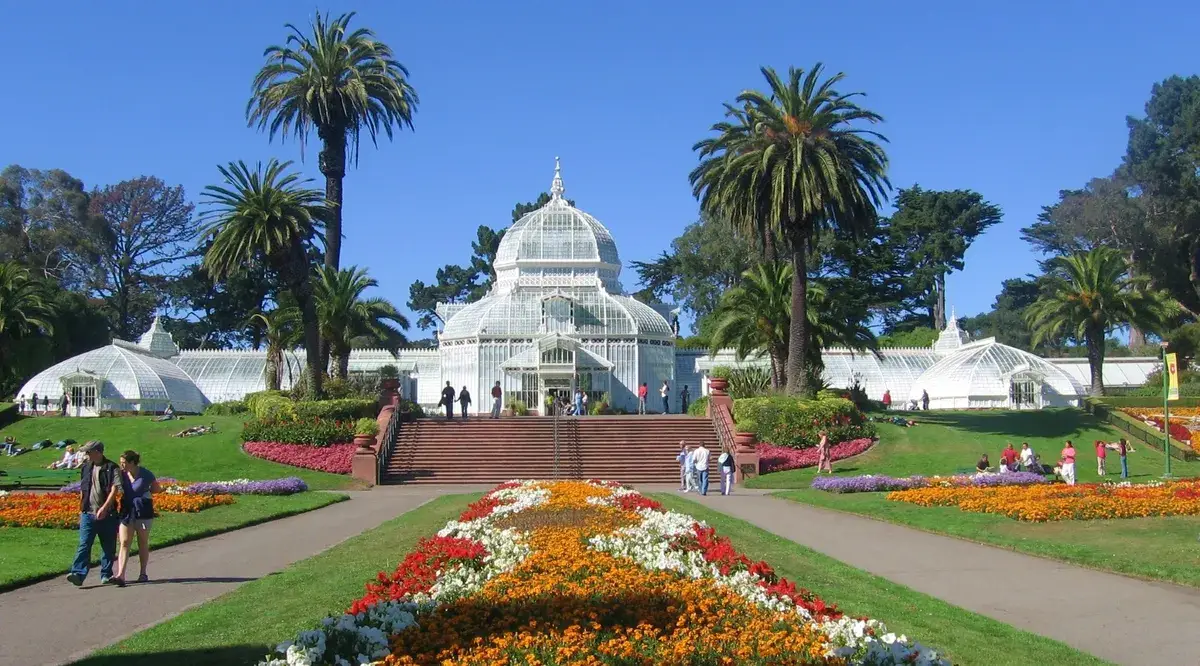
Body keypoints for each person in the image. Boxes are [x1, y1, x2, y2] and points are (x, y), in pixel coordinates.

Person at [67, 441, 120, 587]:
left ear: (98, 452)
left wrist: (105, 507)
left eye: (88, 452)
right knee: (84, 544)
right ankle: (78, 573)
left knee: (108, 546)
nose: (86, 454)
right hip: (87, 513)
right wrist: (81, 506)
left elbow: (115, 490)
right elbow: (83, 488)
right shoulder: (86, 467)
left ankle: (106, 574)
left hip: (107, 514)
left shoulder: (111, 468)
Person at [113, 450, 162, 586]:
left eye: (124, 463)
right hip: (127, 510)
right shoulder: (121, 474)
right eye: (121, 463)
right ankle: (120, 575)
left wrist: (145, 492)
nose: (121, 466)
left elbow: (157, 488)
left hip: (142, 511)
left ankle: (143, 573)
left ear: (132, 463)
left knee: (142, 542)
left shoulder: (145, 474)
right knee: (124, 542)